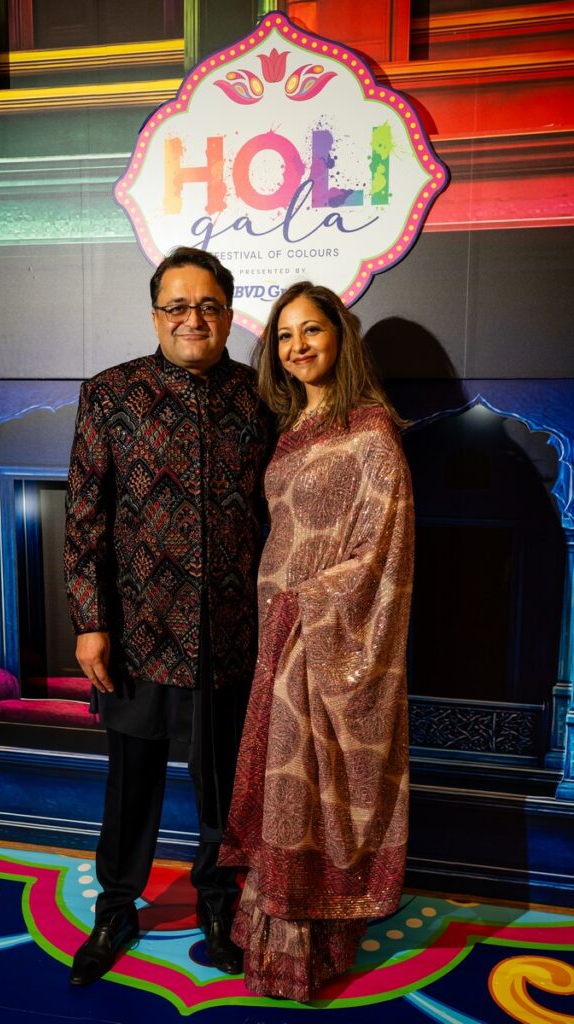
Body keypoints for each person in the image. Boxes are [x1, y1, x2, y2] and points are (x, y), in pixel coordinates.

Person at [64, 246, 273, 986]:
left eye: (208, 306)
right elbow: (84, 516)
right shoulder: (110, 393)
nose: (193, 319)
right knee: (131, 785)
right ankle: (116, 909)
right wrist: (90, 620)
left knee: (224, 788)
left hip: (231, 633)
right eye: (177, 306)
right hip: (137, 632)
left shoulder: (260, 398)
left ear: (229, 314)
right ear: (155, 315)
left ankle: (219, 904)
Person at [218, 281, 414, 1002]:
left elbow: (383, 551)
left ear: (340, 336)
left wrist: (307, 604)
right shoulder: (288, 429)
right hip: (276, 633)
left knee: (308, 789)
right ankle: (272, 936)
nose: (297, 346)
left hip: (321, 634)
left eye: (311, 330)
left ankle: (312, 949)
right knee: (281, 790)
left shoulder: (370, 432)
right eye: (284, 335)